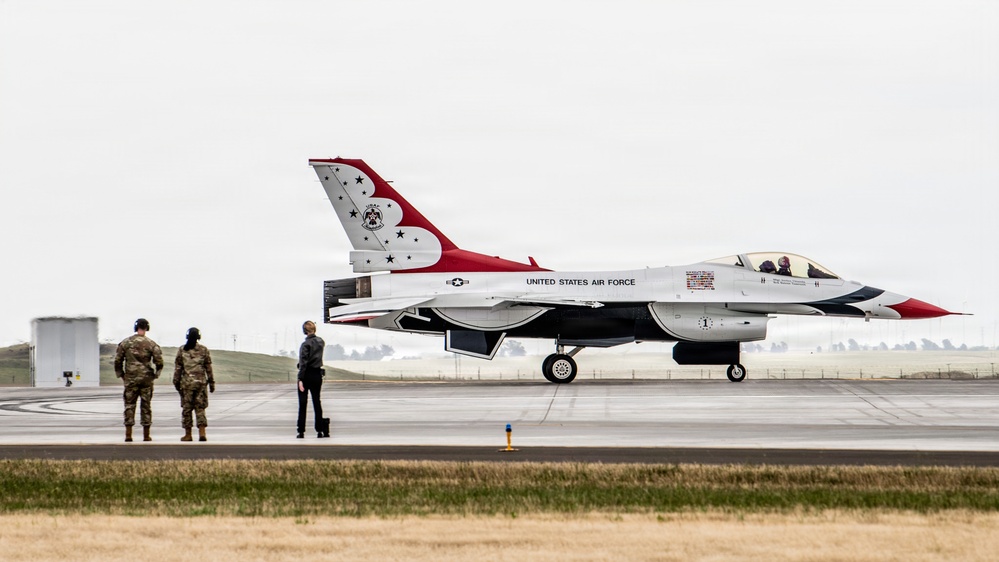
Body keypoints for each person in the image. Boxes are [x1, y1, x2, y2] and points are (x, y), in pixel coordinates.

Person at [114, 318, 164, 442]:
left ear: (136, 327)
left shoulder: (125, 343)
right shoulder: (151, 344)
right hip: (146, 380)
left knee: (129, 405)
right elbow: (159, 361)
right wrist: (155, 374)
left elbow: (118, 360)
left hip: (131, 379)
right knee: (146, 406)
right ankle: (146, 435)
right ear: (147, 328)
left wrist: (122, 375)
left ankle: (128, 434)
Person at [173, 327, 215, 442]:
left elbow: (178, 369)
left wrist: (176, 382)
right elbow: (208, 368)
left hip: (187, 384)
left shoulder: (182, 350)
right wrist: (211, 383)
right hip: (201, 383)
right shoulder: (204, 350)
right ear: (198, 337)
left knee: (187, 409)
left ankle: (188, 435)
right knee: (200, 408)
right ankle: (202, 433)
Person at [297, 320, 329, 439]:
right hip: (317, 374)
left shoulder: (305, 345)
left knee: (303, 403)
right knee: (317, 402)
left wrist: (300, 378)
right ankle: (320, 430)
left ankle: (301, 431)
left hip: (306, 375)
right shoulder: (321, 342)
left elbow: (303, 363)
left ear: (304, 331)